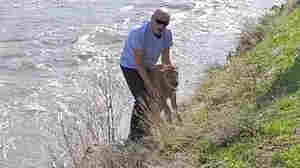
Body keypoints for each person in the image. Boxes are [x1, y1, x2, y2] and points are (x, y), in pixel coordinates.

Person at [120, 8, 174, 142]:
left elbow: (166, 61)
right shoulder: (139, 34)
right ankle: (134, 137)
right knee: (143, 97)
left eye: (165, 23)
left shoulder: (167, 34)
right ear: (152, 19)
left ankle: (148, 127)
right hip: (131, 66)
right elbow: (139, 65)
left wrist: (169, 79)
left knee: (159, 95)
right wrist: (150, 86)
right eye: (158, 22)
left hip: (149, 65)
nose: (161, 26)